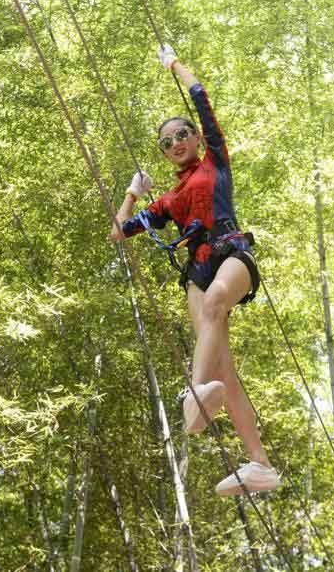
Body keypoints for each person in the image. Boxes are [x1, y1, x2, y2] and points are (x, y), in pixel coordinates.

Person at [108, 45, 280, 496]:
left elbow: (201, 95)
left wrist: (172, 65)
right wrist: (132, 191)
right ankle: (259, 464)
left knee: (218, 303)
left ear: (197, 139)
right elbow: (119, 233)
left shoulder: (215, 162)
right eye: (166, 142)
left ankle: (196, 391)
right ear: (164, 155)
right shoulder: (167, 201)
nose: (176, 143)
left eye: (182, 134)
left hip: (230, 250)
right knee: (226, 364)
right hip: (196, 269)